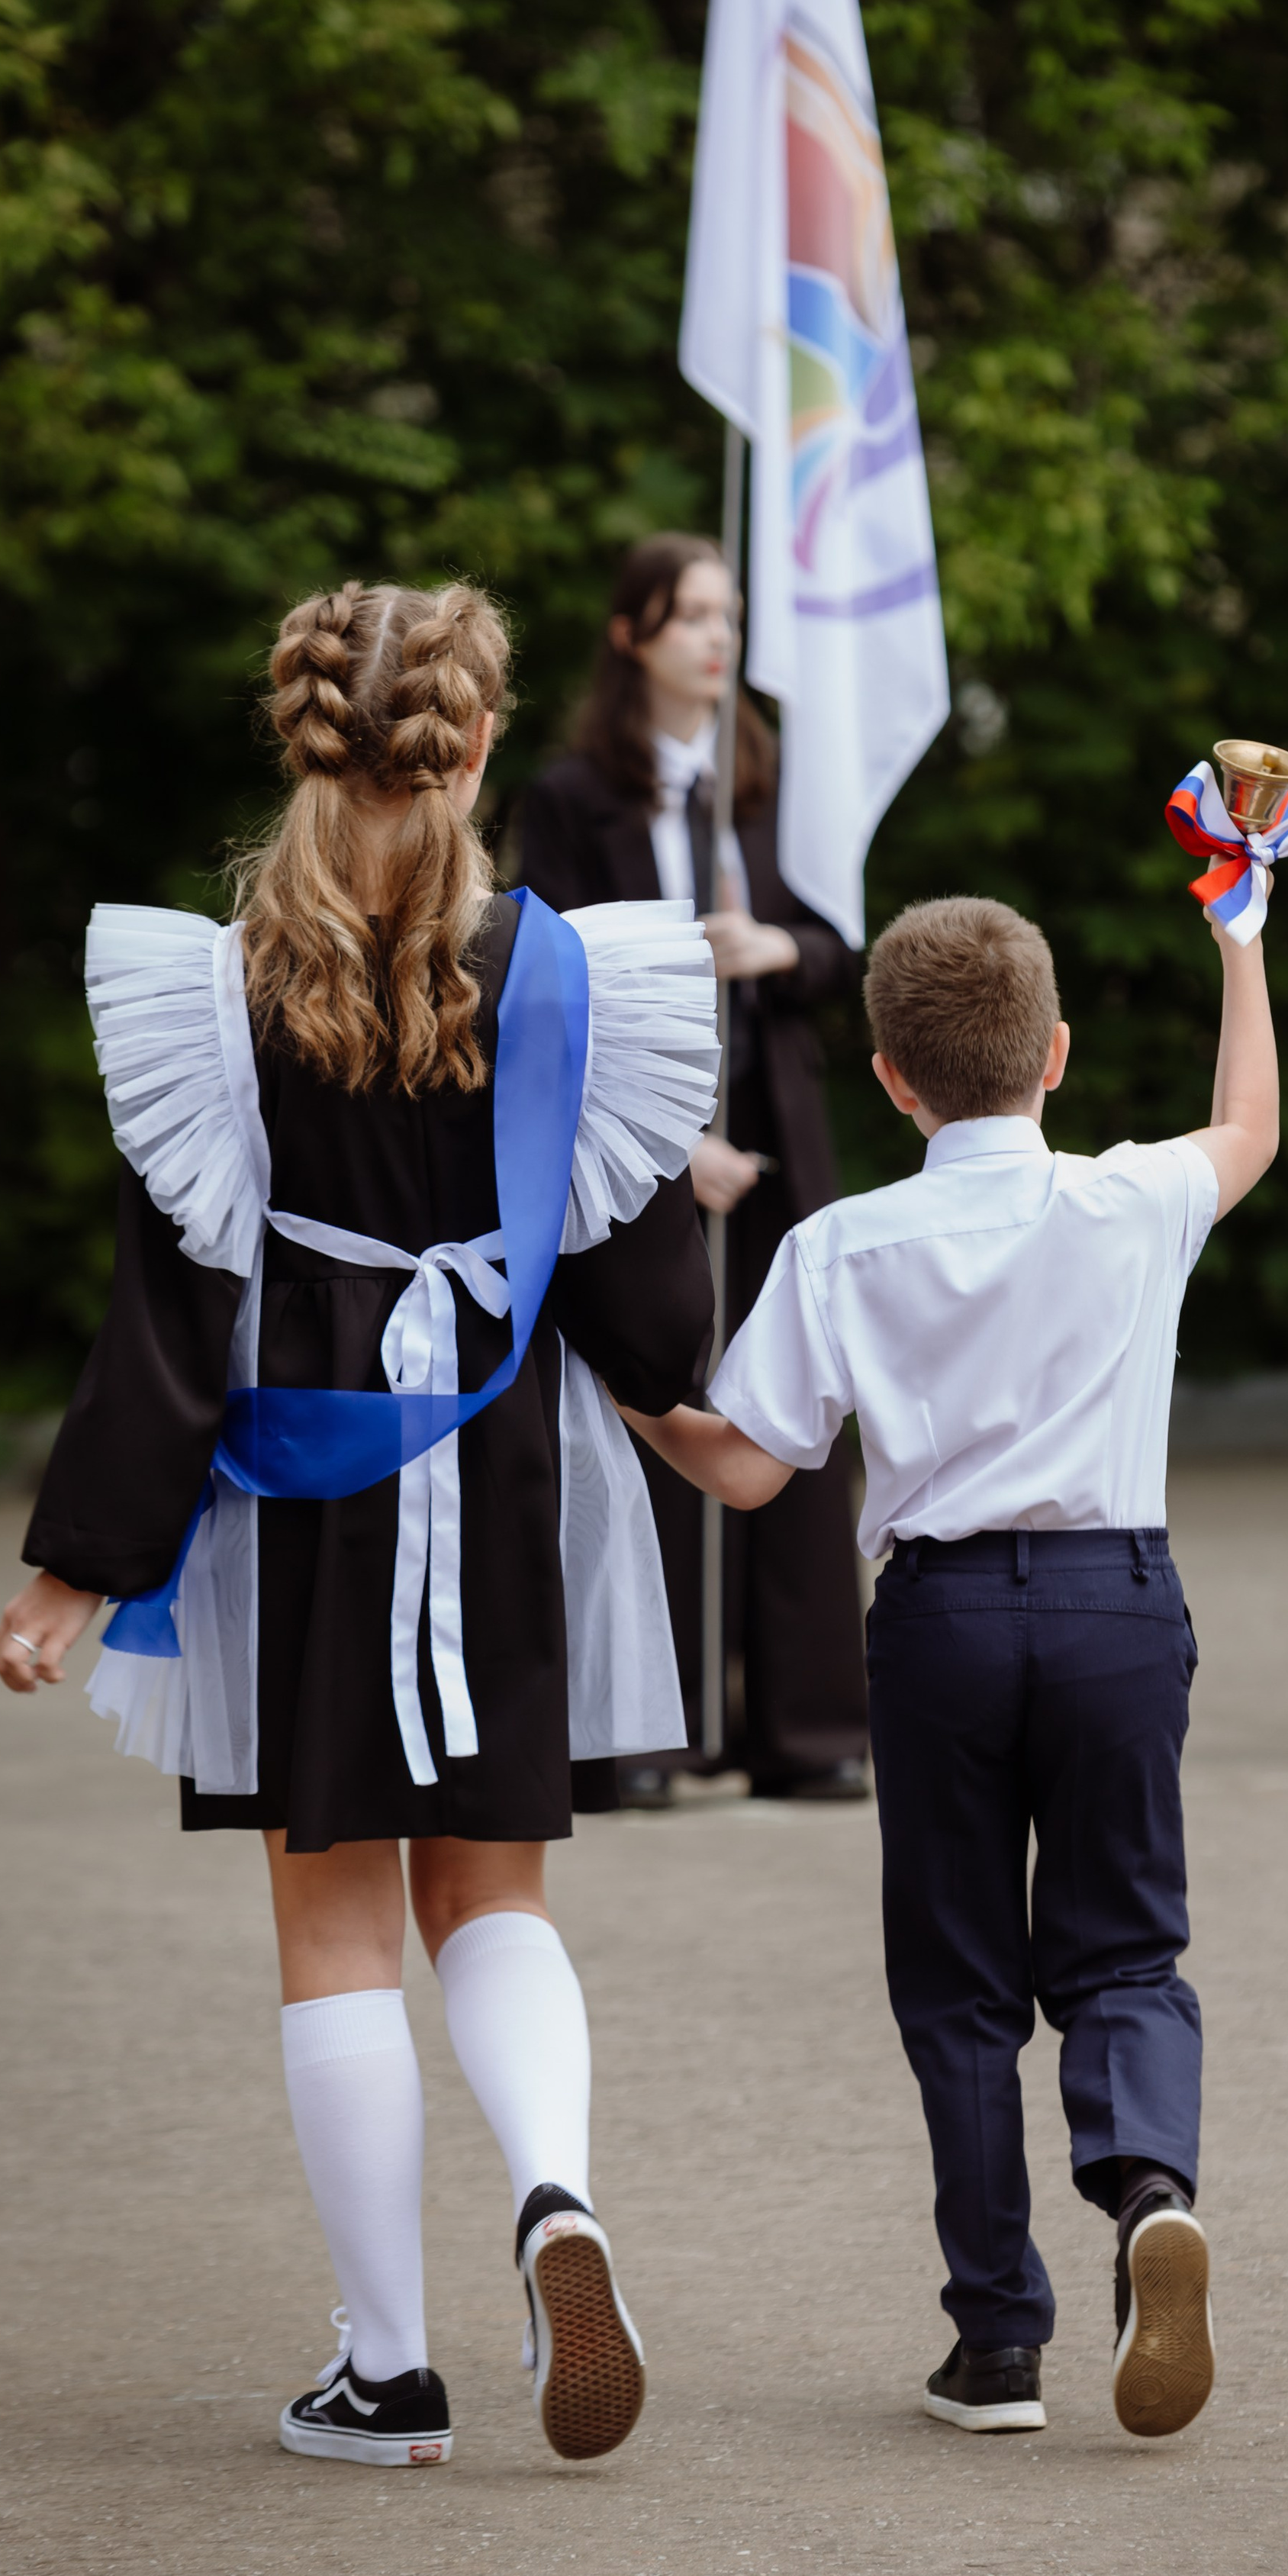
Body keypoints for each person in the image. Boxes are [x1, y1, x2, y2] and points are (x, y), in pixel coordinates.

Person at [0, 581, 718, 2468]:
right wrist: (708, 1430)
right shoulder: (566, 974)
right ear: (478, 746)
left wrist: (81, 1567)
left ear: (299, 738)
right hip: (495, 1466)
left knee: (332, 1918)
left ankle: (386, 2373)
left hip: (299, 1470)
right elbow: (636, 1292)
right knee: (489, 1885)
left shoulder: (215, 990)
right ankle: (556, 2195)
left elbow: (170, 1313)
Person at [615, 890, 1280, 2441]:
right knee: (1124, 1947)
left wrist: (629, 1392)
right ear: (1054, 1054)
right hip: (1118, 1603)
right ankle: (1147, 2193)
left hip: (942, 1622)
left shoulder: (840, 1243)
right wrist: (1239, 937)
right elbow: (1245, 1119)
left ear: (888, 1077)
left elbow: (748, 1472)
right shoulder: (1129, 1202)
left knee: (961, 1986)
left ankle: (994, 2344)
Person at [513, 535, 869, 1805]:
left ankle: (808, 1724)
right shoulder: (569, 796)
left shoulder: (773, 789)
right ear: (632, 637)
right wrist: (669, 1147)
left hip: (775, 1135)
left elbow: (847, 951)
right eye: (690, 617)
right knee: (652, 1399)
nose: (717, 639)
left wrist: (776, 948)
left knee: (792, 1412)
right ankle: (641, 1733)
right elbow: (539, 971)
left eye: (729, 614)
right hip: (631, 1147)